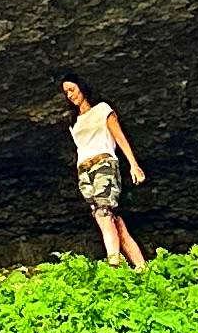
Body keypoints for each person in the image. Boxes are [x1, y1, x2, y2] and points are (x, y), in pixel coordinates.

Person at [60, 78, 147, 267]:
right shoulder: (74, 122)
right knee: (113, 220)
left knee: (103, 213)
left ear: (82, 87)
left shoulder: (102, 109)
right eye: (66, 93)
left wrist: (133, 164)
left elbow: (119, 136)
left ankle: (113, 263)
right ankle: (142, 268)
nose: (70, 95)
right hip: (84, 171)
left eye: (72, 89)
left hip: (104, 164)